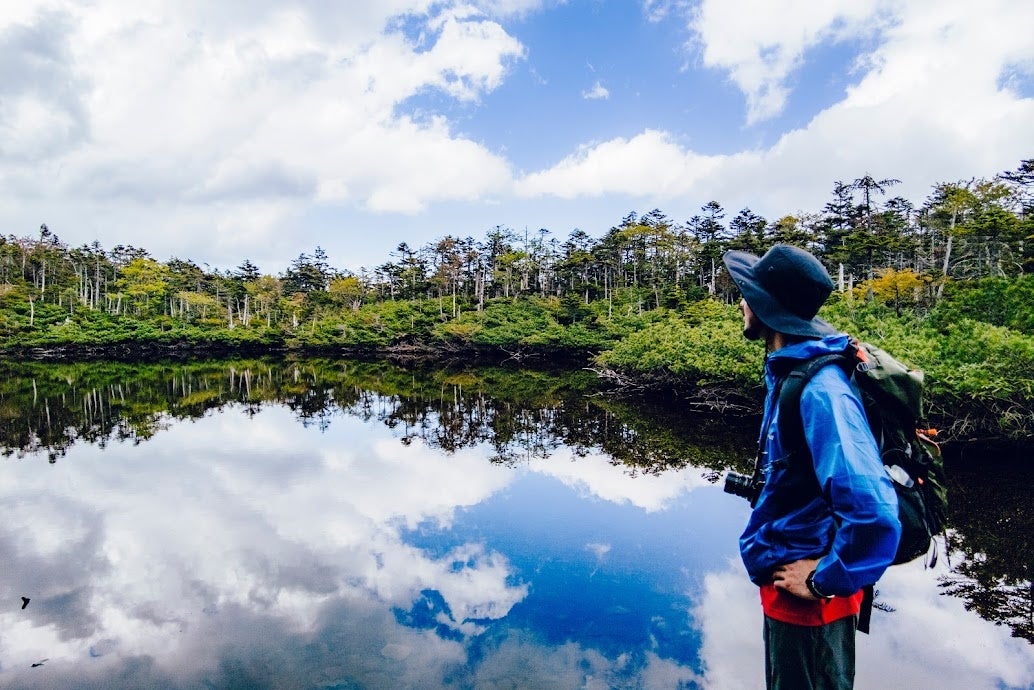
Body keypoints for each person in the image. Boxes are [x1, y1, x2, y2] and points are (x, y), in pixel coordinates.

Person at [722, 244, 901, 690]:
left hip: (812, 606)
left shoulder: (822, 390)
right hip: (789, 590)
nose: (741, 303)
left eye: (747, 294)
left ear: (767, 308)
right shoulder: (792, 371)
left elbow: (875, 512)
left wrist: (823, 580)